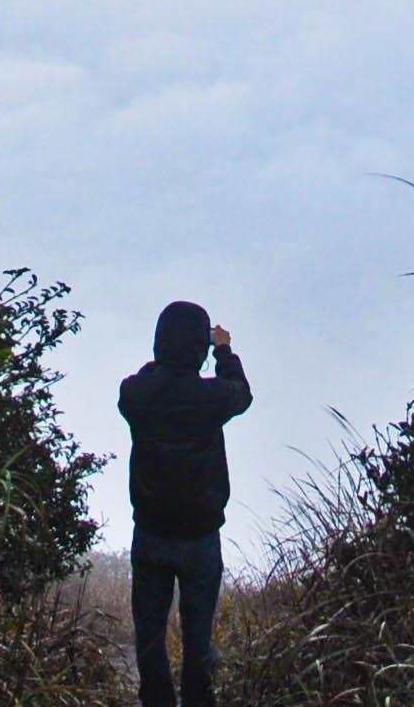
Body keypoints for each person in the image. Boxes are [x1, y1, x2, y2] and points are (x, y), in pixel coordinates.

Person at [118, 299, 251, 707]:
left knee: (149, 637)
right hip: (200, 536)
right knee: (197, 641)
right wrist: (224, 351)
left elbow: (146, 378)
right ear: (200, 346)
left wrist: (164, 363)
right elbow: (241, 394)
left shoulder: (135, 393)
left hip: (152, 533)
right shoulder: (211, 397)